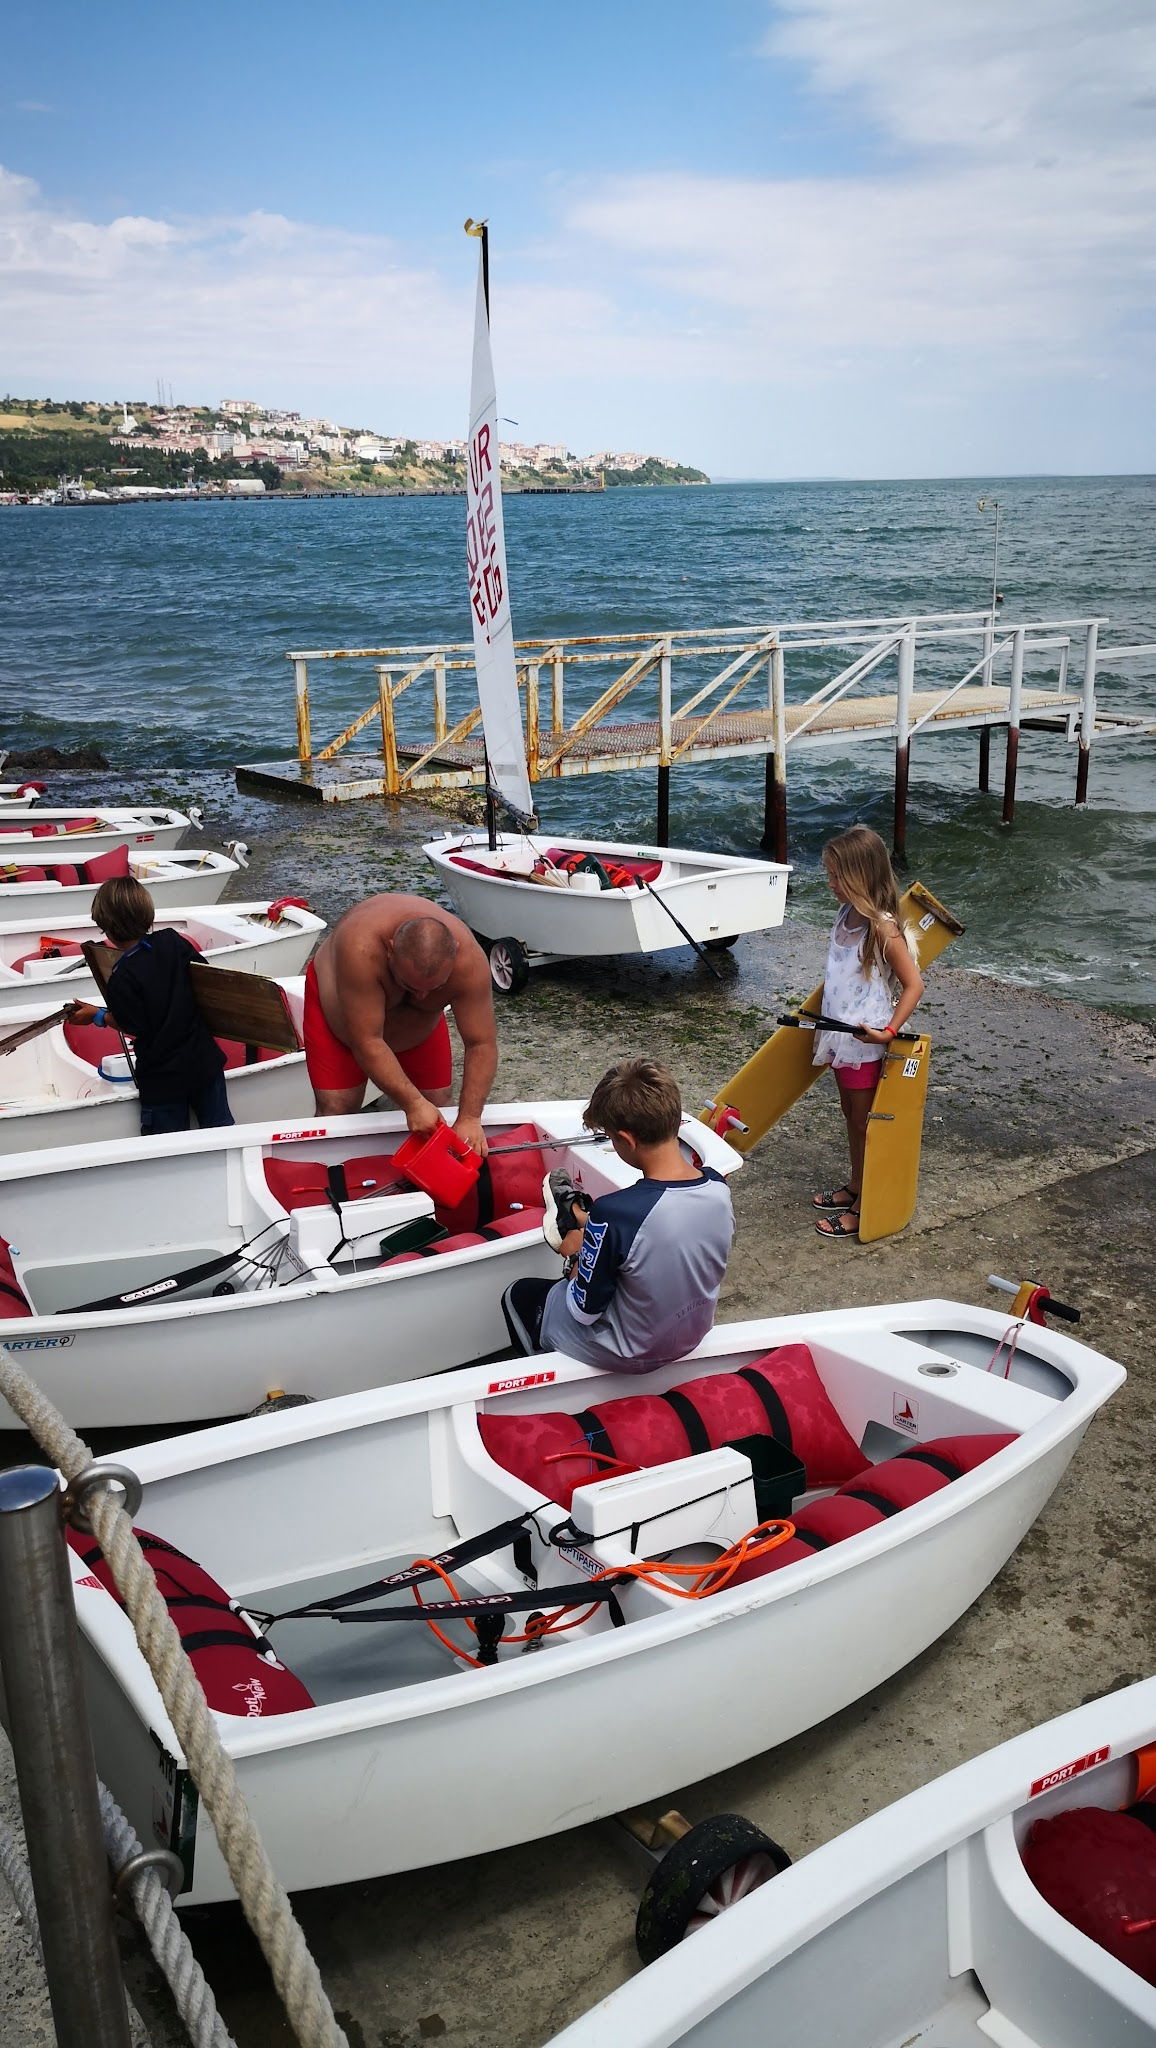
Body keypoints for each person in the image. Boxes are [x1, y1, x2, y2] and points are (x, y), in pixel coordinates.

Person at [501, 1057, 734, 1371]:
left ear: (626, 1140)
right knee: (617, 1245)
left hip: (632, 1351)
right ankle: (581, 1220)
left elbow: (584, 1310)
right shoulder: (718, 1187)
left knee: (519, 1294)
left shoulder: (617, 1211)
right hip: (693, 1332)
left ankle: (543, 1373)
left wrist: (574, 1257)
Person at [304, 893, 497, 1154]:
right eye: (408, 986)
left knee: (439, 1107)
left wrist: (471, 1118)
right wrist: (413, 1103)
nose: (421, 996)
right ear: (390, 949)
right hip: (346, 1024)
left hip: (418, 1030)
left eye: (435, 989)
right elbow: (367, 1040)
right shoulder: (361, 946)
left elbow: (481, 1043)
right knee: (337, 1109)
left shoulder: (470, 962)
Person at [811, 824, 924, 1240]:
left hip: (865, 1043)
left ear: (860, 876)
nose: (831, 883)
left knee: (866, 1124)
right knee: (852, 1117)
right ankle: (857, 1185)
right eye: (829, 874)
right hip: (840, 1038)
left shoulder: (882, 926)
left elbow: (914, 984)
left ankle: (867, 1204)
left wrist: (888, 1032)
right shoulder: (845, 915)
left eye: (837, 876)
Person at [67, 877, 233, 1137]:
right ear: (147, 915)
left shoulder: (122, 977)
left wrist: (96, 1015)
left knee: (165, 1147)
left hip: (163, 1077)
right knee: (221, 1131)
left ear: (106, 927)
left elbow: (131, 1024)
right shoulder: (173, 941)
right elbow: (204, 977)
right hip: (204, 1063)